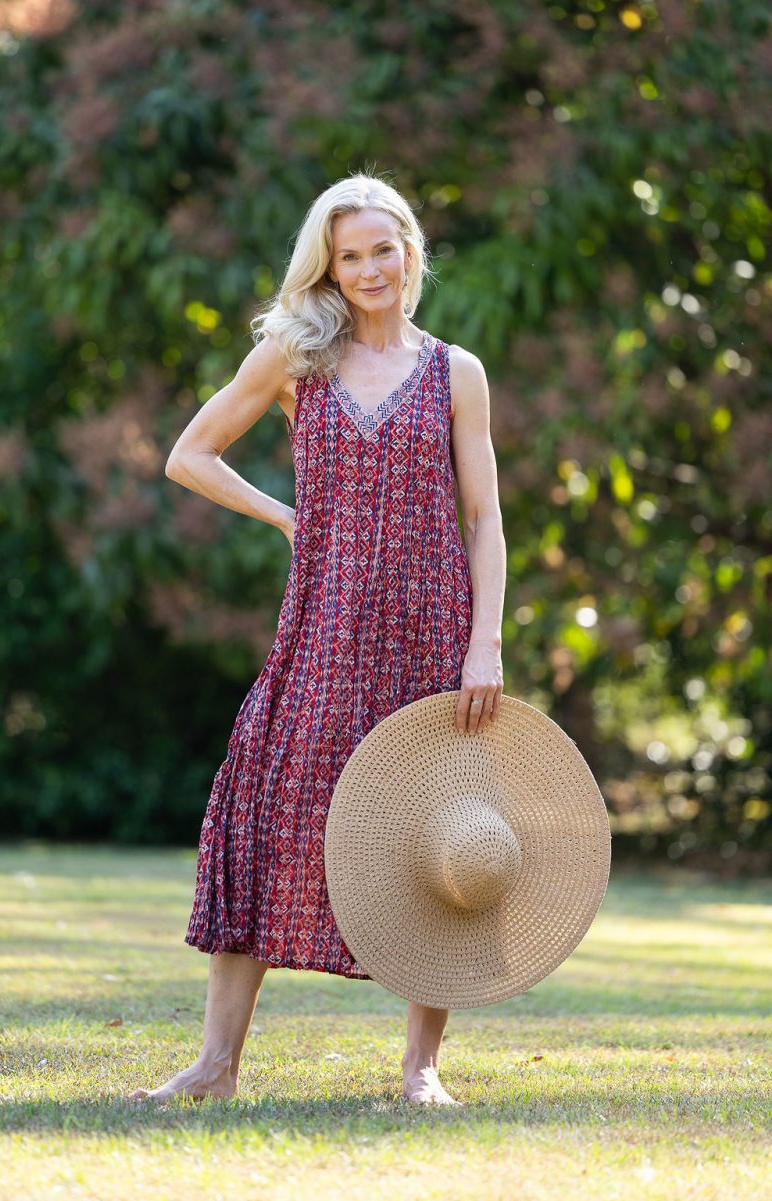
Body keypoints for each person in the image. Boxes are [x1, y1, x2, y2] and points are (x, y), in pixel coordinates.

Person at [128, 171, 506, 1107]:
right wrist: (287, 519)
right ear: (328, 269)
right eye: (350, 254)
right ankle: (215, 1064)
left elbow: (486, 518)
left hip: (432, 629)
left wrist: (485, 643)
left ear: (411, 252)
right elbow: (190, 455)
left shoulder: (457, 371)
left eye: (385, 248)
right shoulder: (299, 361)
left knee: (435, 838)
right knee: (261, 811)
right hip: (323, 626)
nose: (371, 267)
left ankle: (421, 1070)